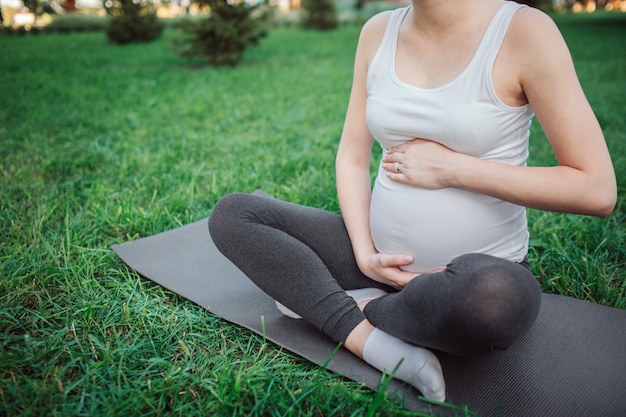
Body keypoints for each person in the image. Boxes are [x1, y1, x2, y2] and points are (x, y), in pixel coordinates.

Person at [209, 0, 616, 401]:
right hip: (378, 263)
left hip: (477, 279)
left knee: (495, 301)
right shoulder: (377, 32)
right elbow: (352, 155)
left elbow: (596, 189)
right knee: (234, 215)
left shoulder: (525, 31)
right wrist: (365, 253)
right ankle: (364, 336)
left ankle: (342, 303)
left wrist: (455, 169)